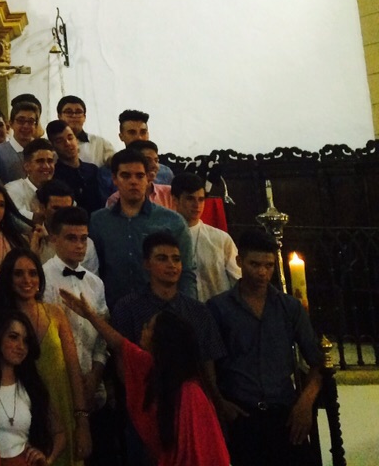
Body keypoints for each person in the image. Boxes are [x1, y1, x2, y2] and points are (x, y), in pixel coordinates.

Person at [60, 290, 229, 466]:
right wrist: (90, 315)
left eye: (148, 327)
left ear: (160, 339)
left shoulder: (190, 393)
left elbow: (198, 453)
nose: (143, 329)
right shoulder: (153, 366)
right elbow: (120, 344)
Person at [208, 229, 324, 466]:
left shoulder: (289, 308)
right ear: (239, 261)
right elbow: (207, 360)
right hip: (241, 413)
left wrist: (306, 401)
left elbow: (317, 361)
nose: (262, 272)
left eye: (268, 265)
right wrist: (220, 402)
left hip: (284, 412)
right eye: (254, 264)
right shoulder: (219, 308)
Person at [0, 249, 90, 464]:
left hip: (62, 405)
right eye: (18, 273)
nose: (27, 279)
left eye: (33, 273)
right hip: (25, 414)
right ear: (8, 278)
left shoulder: (55, 313)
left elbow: (73, 369)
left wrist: (82, 422)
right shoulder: (0, 321)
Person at [41, 207, 111, 464]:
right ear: (54, 239)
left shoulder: (95, 283)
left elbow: (102, 337)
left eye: (83, 238)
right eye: (71, 238)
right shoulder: (42, 279)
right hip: (55, 387)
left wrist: (95, 374)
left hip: (93, 388)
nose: (80, 245)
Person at [89, 149, 196, 308]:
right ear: (114, 179)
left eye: (139, 176)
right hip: (113, 311)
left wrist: (187, 313)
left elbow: (186, 273)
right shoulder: (99, 222)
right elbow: (92, 272)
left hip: (163, 312)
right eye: (126, 176)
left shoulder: (172, 222)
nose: (133, 181)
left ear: (148, 178)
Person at [0, 312, 65, 466]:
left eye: (26, 341)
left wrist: (47, 459)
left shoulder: (32, 386)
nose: (21, 346)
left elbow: (60, 434)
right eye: (13, 337)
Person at [171, 172, 239, 302]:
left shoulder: (221, 239)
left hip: (217, 311)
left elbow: (237, 281)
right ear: (175, 200)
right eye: (190, 199)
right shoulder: (165, 237)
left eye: (201, 199)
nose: (197, 205)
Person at [45, 121, 103, 215]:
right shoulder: (54, 175)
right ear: (53, 146)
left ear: (76, 139)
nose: (67, 143)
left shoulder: (92, 169)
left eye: (70, 137)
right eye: (60, 141)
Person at [104, 142, 174, 210]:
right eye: (148, 160)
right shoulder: (116, 199)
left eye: (156, 160)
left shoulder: (169, 192)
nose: (154, 165)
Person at [5, 140, 58, 225]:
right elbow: (15, 216)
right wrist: (37, 217)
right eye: (40, 161)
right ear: (27, 166)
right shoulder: (13, 189)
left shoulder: (59, 190)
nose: (47, 166)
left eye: (50, 161)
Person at [55, 96, 115, 170]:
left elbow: (116, 163)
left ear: (84, 117)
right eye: (69, 112)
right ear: (59, 116)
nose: (74, 116)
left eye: (78, 112)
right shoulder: (51, 143)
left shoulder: (100, 143)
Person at [0, 102, 40, 185]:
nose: (26, 126)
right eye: (21, 121)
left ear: (36, 126)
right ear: (11, 124)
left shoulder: (43, 150)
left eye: (30, 121)